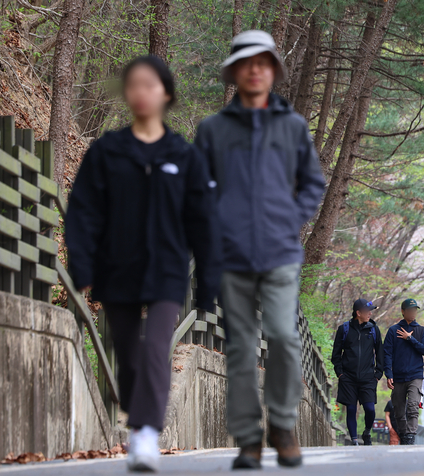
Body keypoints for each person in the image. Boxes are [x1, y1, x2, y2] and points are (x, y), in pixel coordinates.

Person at [65, 56, 220, 472]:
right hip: (117, 268)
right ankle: (138, 424)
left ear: (165, 93)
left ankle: (147, 433)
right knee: (128, 354)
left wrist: (208, 282)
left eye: (149, 85)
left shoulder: (183, 156)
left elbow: (203, 222)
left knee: (155, 349)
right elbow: (82, 212)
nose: (140, 92)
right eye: (133, 84)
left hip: (167, 271)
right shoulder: (107, 151)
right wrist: (82, 267)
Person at [194, 30, 325, 469]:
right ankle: (249, 439)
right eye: (247, 63)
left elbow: (312, 184)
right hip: (231, 254)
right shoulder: (212, 130)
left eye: (263, 62)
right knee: (239, 346)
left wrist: (291, 218)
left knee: (284, 337)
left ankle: (282, 424)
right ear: (235, 72)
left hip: (281, 251)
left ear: (273, 71)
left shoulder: (292, 126)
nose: (255, 70)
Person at [331, 299, 384, 446]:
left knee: (369, 409)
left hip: (368, 377)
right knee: (351, 408)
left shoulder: (373, 329)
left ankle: (367, 431)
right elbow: (336, 354)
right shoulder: (344, 329)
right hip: (348, 377)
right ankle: (354, 440)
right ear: (358, 313)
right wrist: (340, 373)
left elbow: (380, 353)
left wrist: (378, 374)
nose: (370, 314)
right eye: (367, 311)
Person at [383, 299, 424, 445]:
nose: (413, 312)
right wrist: (389, 374)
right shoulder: (393, 331)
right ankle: (404, 434)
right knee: (398, 408)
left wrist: (410, 338)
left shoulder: (422, 330)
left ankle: (410, 435)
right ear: (403, 312)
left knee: (412, 406)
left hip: (415, 375)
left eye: (415, 310)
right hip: (398, 376)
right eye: (410, 310)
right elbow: (387, 353)